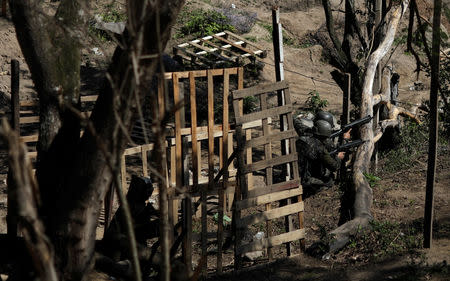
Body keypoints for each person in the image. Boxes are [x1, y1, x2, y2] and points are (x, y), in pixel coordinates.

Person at [296, 119, 347, 197]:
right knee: (330, 181)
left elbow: (297, 123)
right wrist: (339, 157)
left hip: (296, 173)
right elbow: (335, 166)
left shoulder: (304, 136)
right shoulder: (320, 149)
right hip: (306, 179)